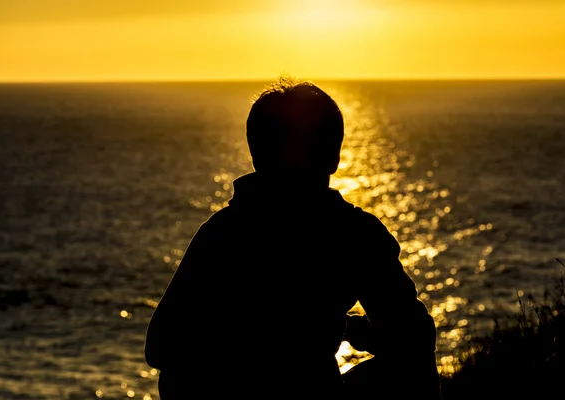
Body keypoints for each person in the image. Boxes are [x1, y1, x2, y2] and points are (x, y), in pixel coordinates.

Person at [144, 75, 442, 398]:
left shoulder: (221, 233)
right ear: (335, 157)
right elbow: (415, 338)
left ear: (256, 156)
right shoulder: (354, 234)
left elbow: (160, 347)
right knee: (412, 367)